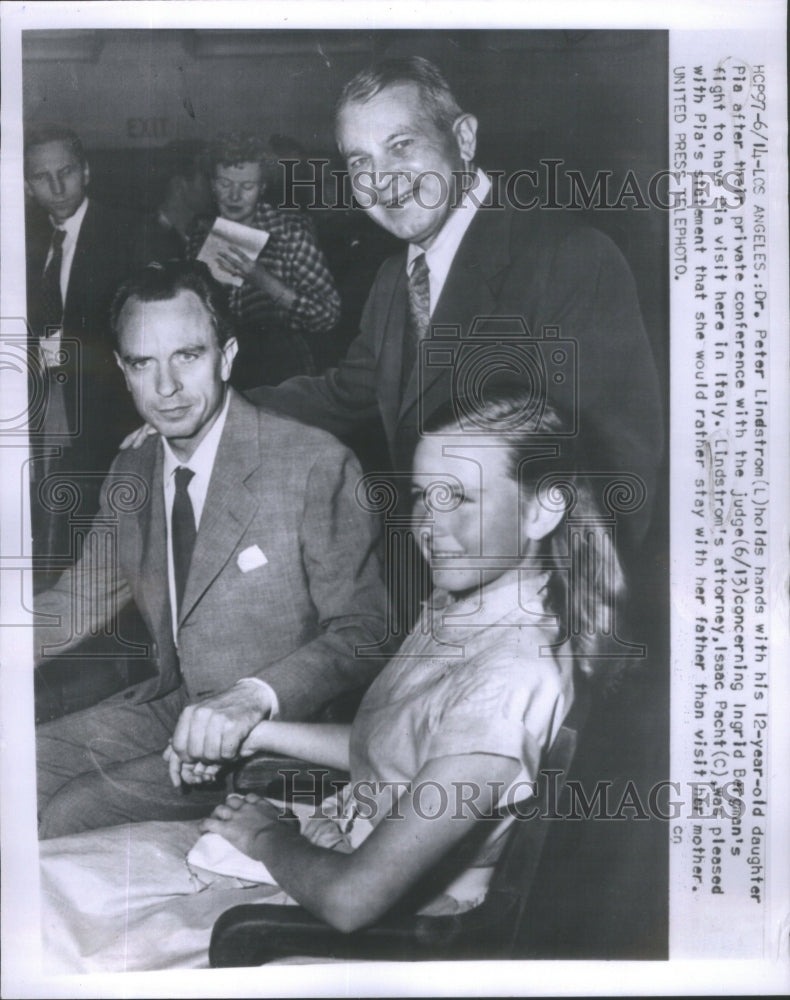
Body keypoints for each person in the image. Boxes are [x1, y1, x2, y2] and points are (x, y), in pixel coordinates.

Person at [38, 385, 627, 973]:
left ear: (544, 507)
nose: (429, 524)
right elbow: (399, 751)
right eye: (425, 496)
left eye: (462, 499)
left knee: (51, 924)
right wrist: (257, 735)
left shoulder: (507, 681)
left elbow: (353, 901)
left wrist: (265, 837)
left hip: (372, 930)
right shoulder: (468, 605)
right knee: (43, 880)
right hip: (325, 846)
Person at [245, 56, 664, 554]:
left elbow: (616, 466)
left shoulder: (569, 257)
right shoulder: (391, 281)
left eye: (401, 145)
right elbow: (345, 393)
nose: (381, 179)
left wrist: (547, 607)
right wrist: (217, 410)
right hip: (440, 580)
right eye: (360, 162)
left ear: (463, 138)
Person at [34, 260, 387, 839]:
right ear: (123, 372)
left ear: (225, 356)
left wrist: (253, 697)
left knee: (76, 810)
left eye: (187, 356)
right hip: (174, 708)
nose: (166, 387)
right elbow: (71, 604)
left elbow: (365, 632)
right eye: (144, 363)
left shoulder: (312, 461)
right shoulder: (133, 470)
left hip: (283, 736)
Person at [24, 123, 142, 582]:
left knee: (100, 550)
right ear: (27, 185)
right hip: (42, 413)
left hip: (106, 418)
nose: (56, 186)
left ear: (86, 171)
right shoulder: (25, 243)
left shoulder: (128, 231)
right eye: (41, 177)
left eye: (66, 171)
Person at [186, 132, 341, 388]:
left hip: (282, 369)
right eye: (226, 184)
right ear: (212, 184)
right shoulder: (201, 235)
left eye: (247, 187)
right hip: (221, 369)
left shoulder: (290, 233)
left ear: (263, 188)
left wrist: (264, 280)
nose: (235, 196)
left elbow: (328, 315)